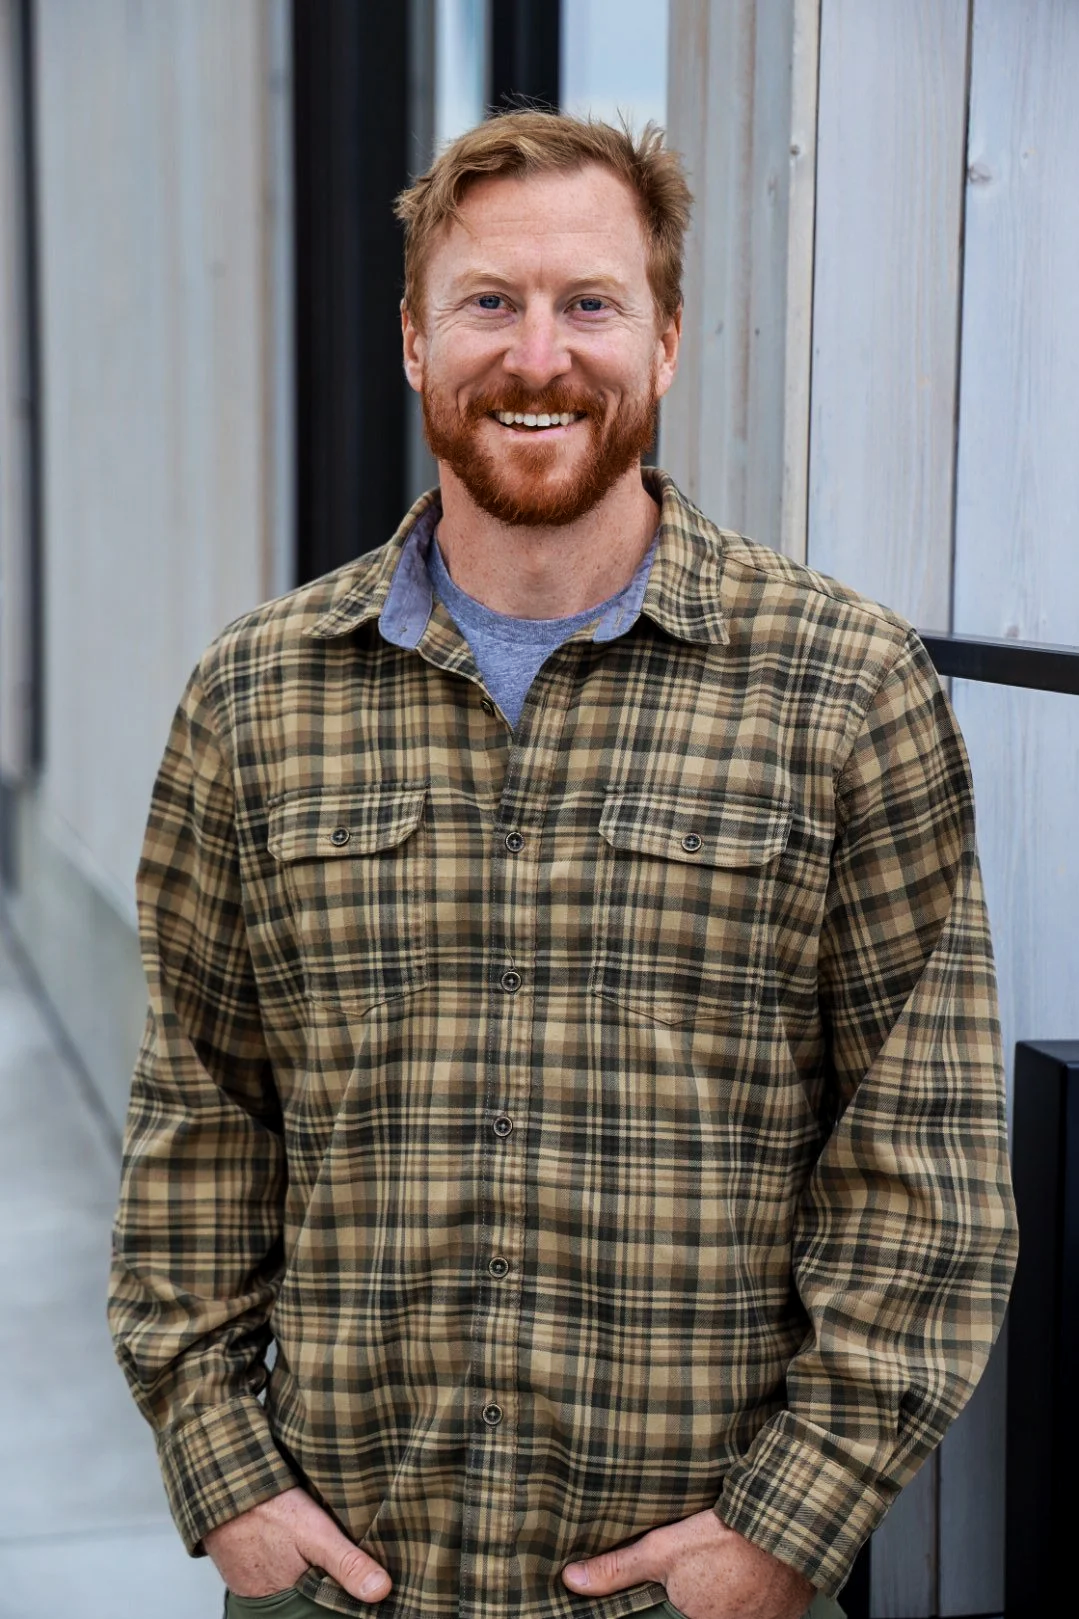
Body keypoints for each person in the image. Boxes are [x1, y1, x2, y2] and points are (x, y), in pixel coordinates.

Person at [109, 112, 1017, 1619]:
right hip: (342, 1582)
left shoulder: (841, 688)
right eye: (488, 302)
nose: (538, 356)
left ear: (664, 340)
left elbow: (919, 1161)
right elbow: (196, 1117)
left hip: (688, 1591)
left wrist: (785, 1529)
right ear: (412, 340)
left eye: (588, 303)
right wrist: (228, 1477)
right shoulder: (254, 696)